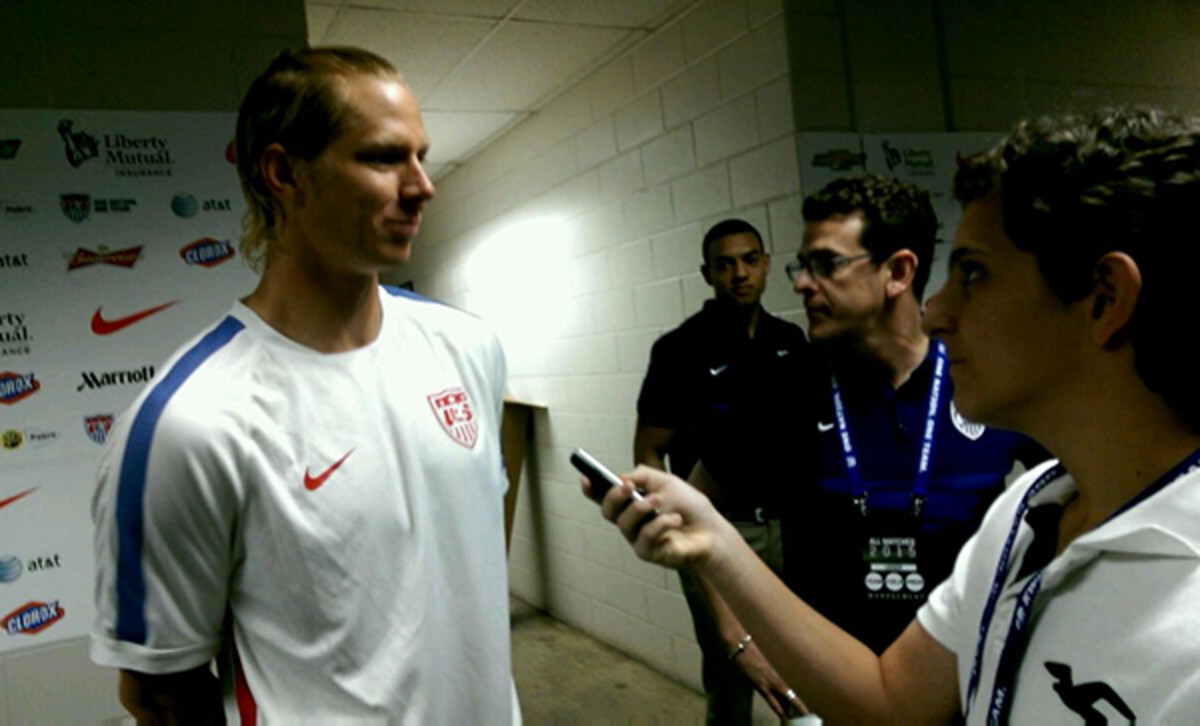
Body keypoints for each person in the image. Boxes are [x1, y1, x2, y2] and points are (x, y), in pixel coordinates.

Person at [590, 107, 1200, 722]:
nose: (935, 312)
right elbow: (892, 701)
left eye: (974, 274)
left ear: (1104, 300)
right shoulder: (1022, 524)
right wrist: (717, 552)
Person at [90, 47, 519, 724]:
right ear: (284, 173)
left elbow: (468, 553)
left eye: (421, 156)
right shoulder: (189, 421)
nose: (422, 186)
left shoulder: (468, 347)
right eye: (383, 158)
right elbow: (160, 694)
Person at [780, 175, 1043, 654]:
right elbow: (707, 509)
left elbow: (1089, 490)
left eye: (825, 264)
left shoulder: (989, 378)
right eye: (802, 265)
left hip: (960, 670)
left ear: (898, 272)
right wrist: (742, 638)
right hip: (830, 674)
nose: (802, 283)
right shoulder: (782, 387)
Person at [634, 218, 809, 723]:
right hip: (722, 535)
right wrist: (679, 523)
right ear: (707, 273)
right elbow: (648, 450)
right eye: (725, 264)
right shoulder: (679, 350)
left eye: (750, 260)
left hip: (793, 530)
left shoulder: (790, 340)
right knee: (735, 675)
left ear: (767, 264)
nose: (740, 273)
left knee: (803, 672)